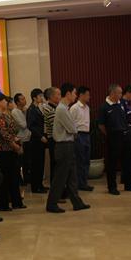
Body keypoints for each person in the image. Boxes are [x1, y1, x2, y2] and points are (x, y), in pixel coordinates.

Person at [46, 83, 90, 213]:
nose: (76, 95)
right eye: (74, 93)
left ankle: (77, 202)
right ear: (68, 94)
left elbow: (73, 128)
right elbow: (73, 129)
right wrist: (75, 129)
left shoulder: (65, 108)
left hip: (68, 145)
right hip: (64, 146)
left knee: (72, 177)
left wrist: (74, 128)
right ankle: (51, 204)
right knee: (60, 177)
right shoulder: (62, 109)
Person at [98, 84, 131, 195]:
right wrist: (110, 134)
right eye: (119, 93)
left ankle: (129, 185)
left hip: (125, 135)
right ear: (113, 93)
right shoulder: (104, 107)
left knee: (128, 161)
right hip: (114, 137)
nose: (121, 95)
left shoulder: (121, 104)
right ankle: (112, 187)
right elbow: (101, 125)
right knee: (112, 163)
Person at [0, 93, 25, 211]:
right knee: (4, 178)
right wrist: (14, 145)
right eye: (4, 100)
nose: (6, 103)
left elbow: (13, 129)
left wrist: (16, 141)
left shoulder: (6, 113)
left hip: (11, 148)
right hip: (3, 150)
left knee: (14, 176)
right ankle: (3, 204)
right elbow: (3, 133)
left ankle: (16, 201)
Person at [70, 86, 93, 191]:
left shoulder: (87, 107)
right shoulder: (74, 108)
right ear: (81, 95)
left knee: (86, 160)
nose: (89, 97)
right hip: (78, 135)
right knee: (80, 160)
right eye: (87, 95)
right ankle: (80, 183)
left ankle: (84, 182)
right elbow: (70, 123)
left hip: (87, 135)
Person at [26, 88, 48, 193]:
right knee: (36, 164)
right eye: (40, 96)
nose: (42, 98)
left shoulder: (38, 108)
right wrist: (40, 136)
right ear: (34, 98)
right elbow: (31, 126)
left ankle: (40, 184)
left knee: (40, 163)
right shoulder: (31, 109)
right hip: (36, 140)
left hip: (40, 139)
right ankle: (35, 187)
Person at [11, 93, 31, 185]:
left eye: (24, 98)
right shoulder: (15, 112)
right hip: (21, 139)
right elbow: (23, 125)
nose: (24, 100)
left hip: (28, 138)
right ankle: (21, 180)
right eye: (22, 99)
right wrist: (27, 115)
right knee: (21, 162)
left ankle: (27, 178)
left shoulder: (25, 109)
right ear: (17, 102)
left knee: (28, 161)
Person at [43, 87, 60, 182]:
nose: (60, 97)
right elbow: (56, 127)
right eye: (58, 94)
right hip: (53, 139)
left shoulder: (56, 107)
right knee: (56, 164)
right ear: (51, 96)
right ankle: (56, 187)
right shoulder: (48, 108)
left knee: (58, 164)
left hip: (57, 139)